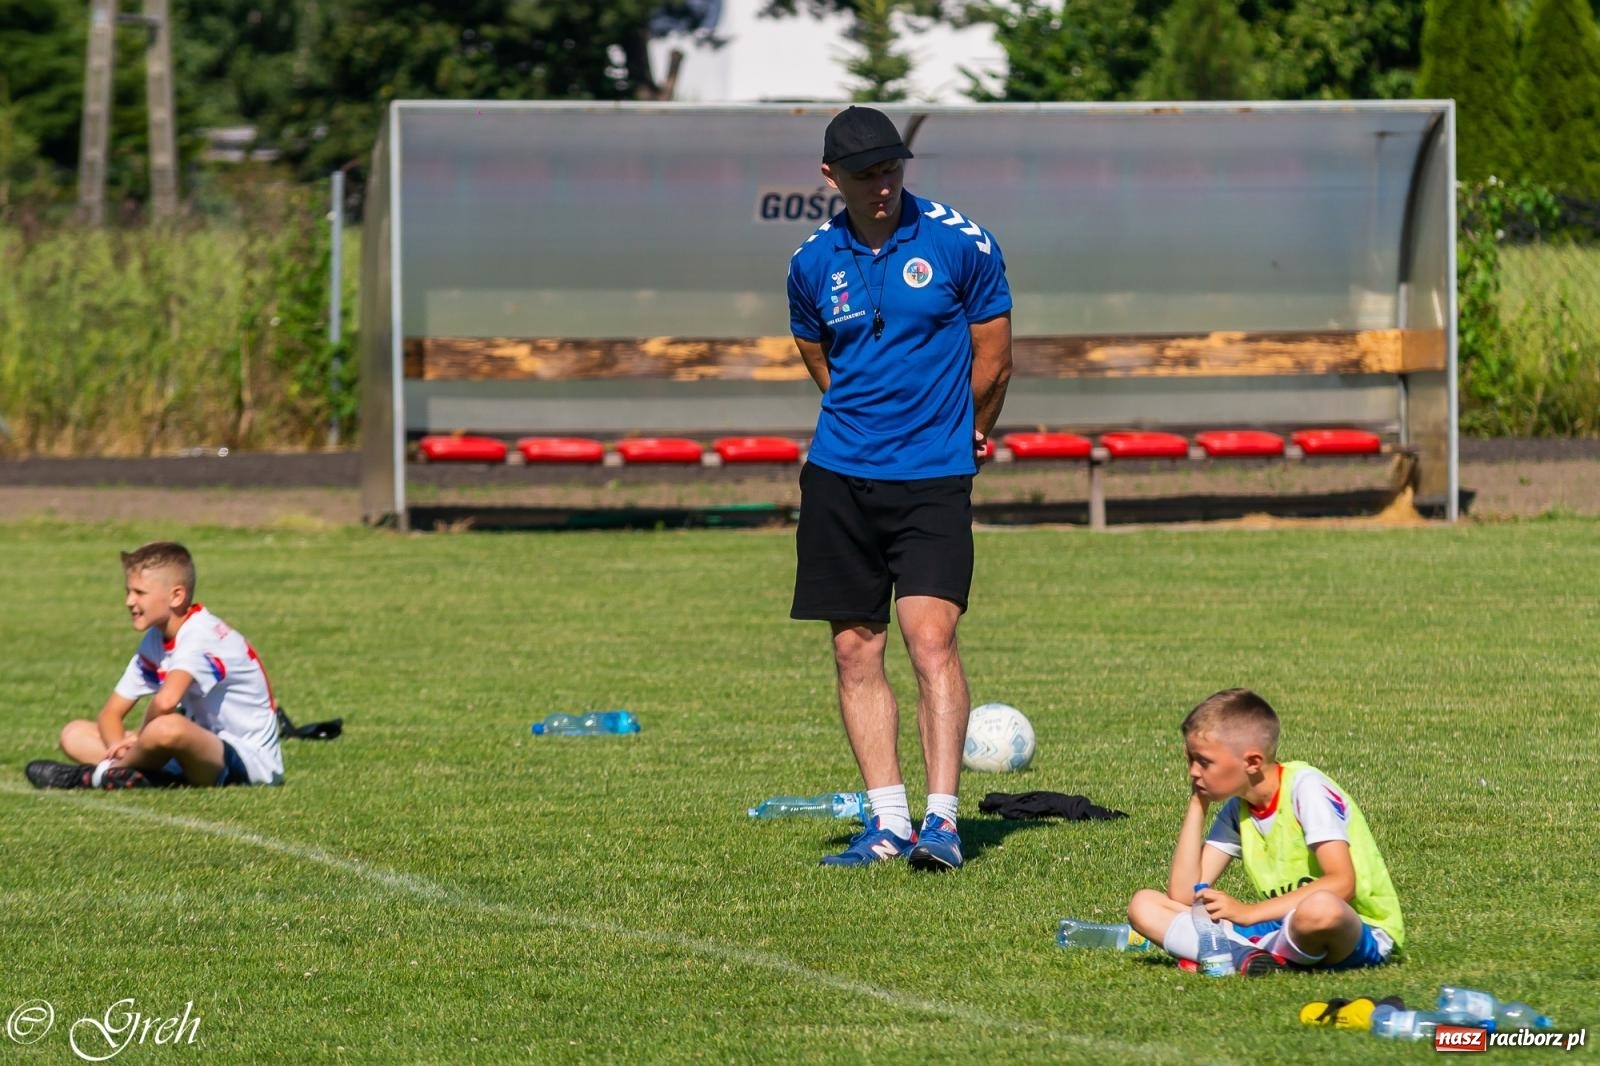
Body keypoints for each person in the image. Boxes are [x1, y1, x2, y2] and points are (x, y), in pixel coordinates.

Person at [785, 106, 1013, 870]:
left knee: (931, 640)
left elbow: (995, 358)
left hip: (934, 478)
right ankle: (888, 823)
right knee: (855, 649)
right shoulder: (811, 262)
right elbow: (821, 360)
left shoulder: (961, 241)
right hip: (840, 477)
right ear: (831, 179)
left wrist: (968, 429)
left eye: (891, 170)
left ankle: (943, 824)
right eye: (864, 176)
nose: (882, 187)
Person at [1127, 688, 1404, 973]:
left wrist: (1249, 913)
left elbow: (1342, 884)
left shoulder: (1305, 789)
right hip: (1280, 927)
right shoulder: (1239, 807)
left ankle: (1232, 956)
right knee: (1144, 905)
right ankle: (1252, 959)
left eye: (1204, 762)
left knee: (1321, 908)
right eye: (1191, 761)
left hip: (1355, 928)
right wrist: (1198, 802)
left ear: (1252, 762)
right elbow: (1183, 896)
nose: (1193, 772)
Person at [26, 541, 284, 790]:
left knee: (167, 727)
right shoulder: (155, 639)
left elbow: (165, 703)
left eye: (139, 593)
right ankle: (132, 774)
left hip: (247, 762)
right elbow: (110, 714)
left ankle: (97, 777)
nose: (129, 601)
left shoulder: (200, 634)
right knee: (74, 733)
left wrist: (137, 739)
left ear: (176, 596)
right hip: (190, 751)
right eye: (128, 591)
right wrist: (122, 746)